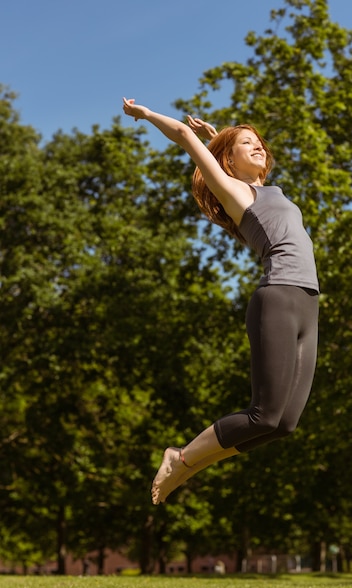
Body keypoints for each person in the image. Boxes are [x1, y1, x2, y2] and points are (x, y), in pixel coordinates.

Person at [122, 98, 319, 505]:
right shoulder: (234, 192)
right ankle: (181, 458)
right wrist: (147, 115)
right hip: (278, 297)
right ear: (228, 162)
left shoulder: (266, 189)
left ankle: (187, 463)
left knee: (284, 424)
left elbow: (244, 163)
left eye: (259, 141)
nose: (258, 146)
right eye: (247, 144)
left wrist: (222, 138)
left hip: (308, 303)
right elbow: (182, 134)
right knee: (263, 413)